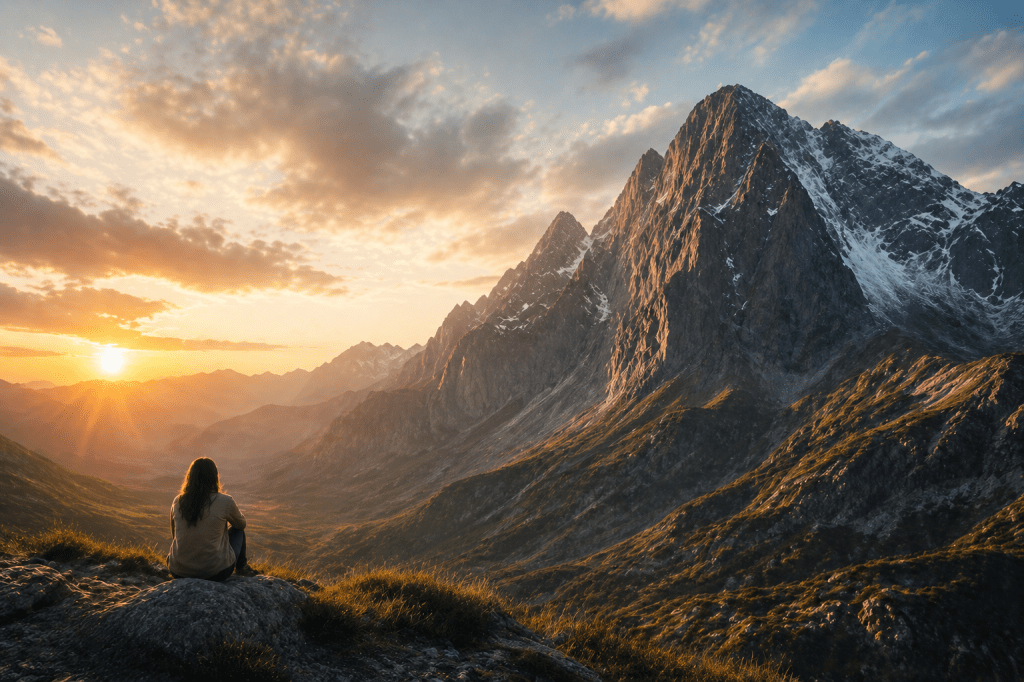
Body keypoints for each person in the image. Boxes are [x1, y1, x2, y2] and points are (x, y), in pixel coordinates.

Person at [167, 457, 254, 580]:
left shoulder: (178, 501)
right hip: (215, 573)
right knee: (238, 531)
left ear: (190, 477)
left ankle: (185, 563)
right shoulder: (225, 501)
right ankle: (242, 568)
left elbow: (174, 534)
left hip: (178, 571)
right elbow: (241, 524)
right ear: (214, 477)